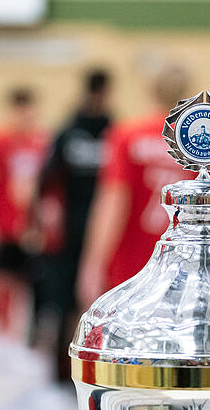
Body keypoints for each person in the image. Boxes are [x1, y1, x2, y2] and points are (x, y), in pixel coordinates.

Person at [77, 61, 192, 309]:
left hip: (133, 268)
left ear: (150, 89)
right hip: (186, 270)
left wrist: (93, 263)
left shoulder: (126, 135)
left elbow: (113, 202)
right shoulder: (201, 146)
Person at [37, 67, 113, 381]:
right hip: (68, 230)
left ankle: (97, 362)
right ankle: (60, 367)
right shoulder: (68, 130)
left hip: (101, 226)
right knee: (64, 299)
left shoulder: (113, 130)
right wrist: (44, 219)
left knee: (98, 299)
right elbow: (47, 179)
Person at [0, 87, 48, 339]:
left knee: (25, 286)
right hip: (5, 226)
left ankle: (14, 337)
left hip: (29, 229)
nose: (24, 116)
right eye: (19, 111)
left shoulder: (42, 143)